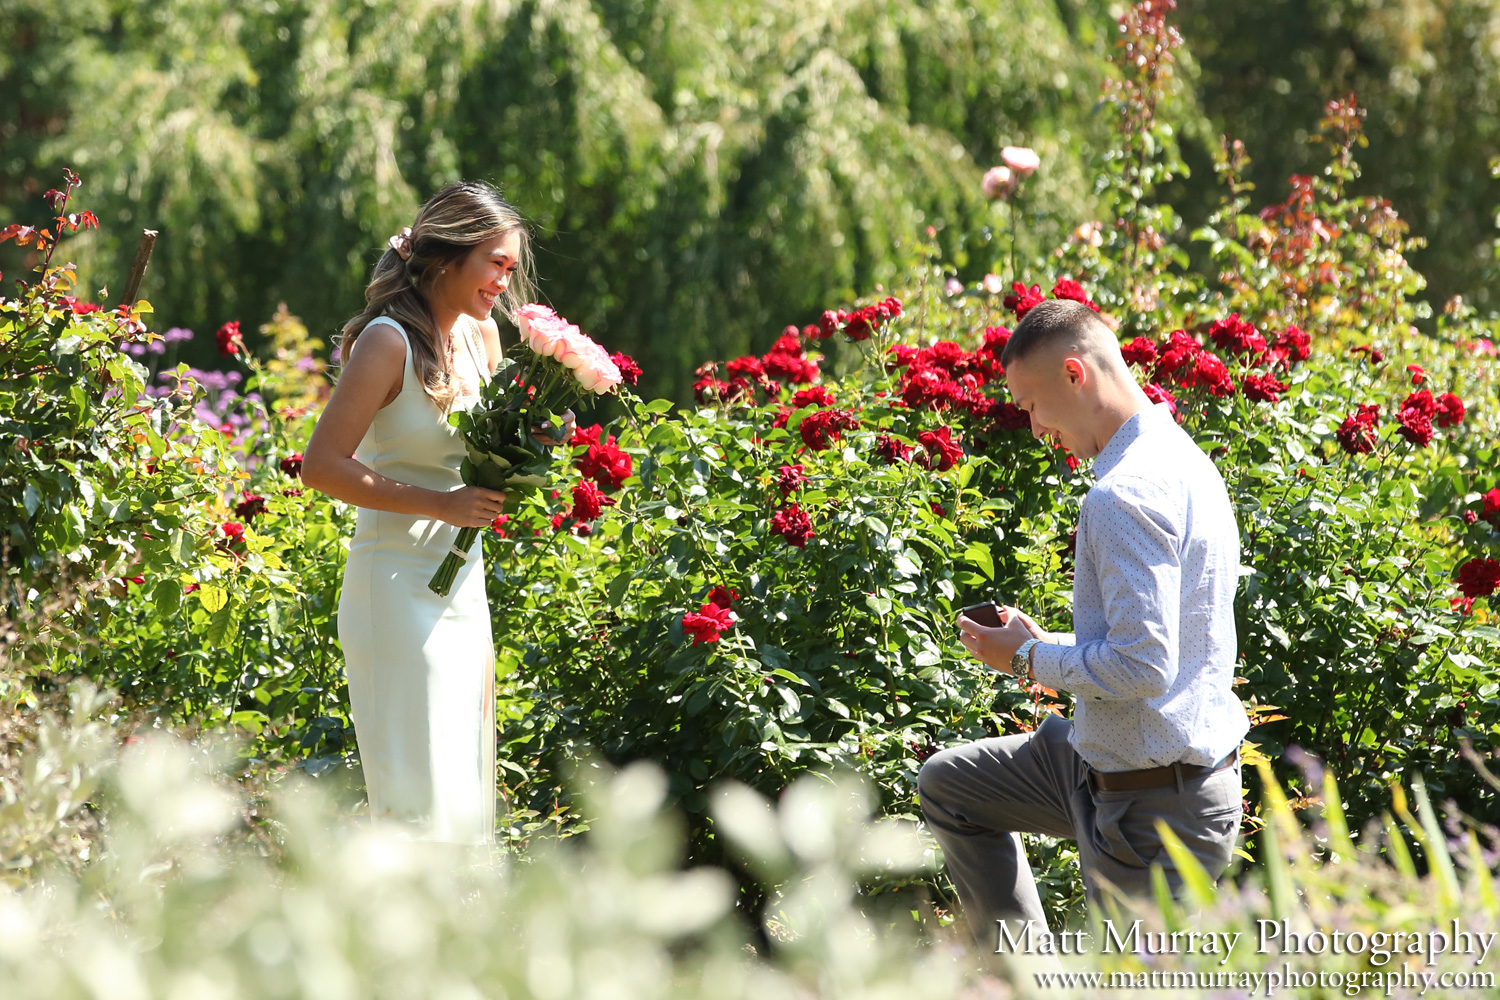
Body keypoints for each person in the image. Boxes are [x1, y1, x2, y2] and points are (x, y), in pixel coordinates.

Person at [918, 298, 1248, 944]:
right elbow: (1158, 643)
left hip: (1154, 808)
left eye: (1034, 404)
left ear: (1076, 375)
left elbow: (1144, 666)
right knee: (951, 786)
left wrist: (1025, 660)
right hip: (1116, 763)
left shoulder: (1122, 493)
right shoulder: (1180, 457)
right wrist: (1048, 643)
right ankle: (1026, 980)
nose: (1036, 428)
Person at [303, 181, 566, 844]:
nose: (505, 282)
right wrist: (441, 503)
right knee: (416, 801)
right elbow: (322, 466)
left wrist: (534, 439)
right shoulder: (386, 343)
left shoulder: (481, 339)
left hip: (460, 584)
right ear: (447, 258)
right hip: (392, 588)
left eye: (511, 268)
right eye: (495, 264)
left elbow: (482, 444)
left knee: (463, 790)